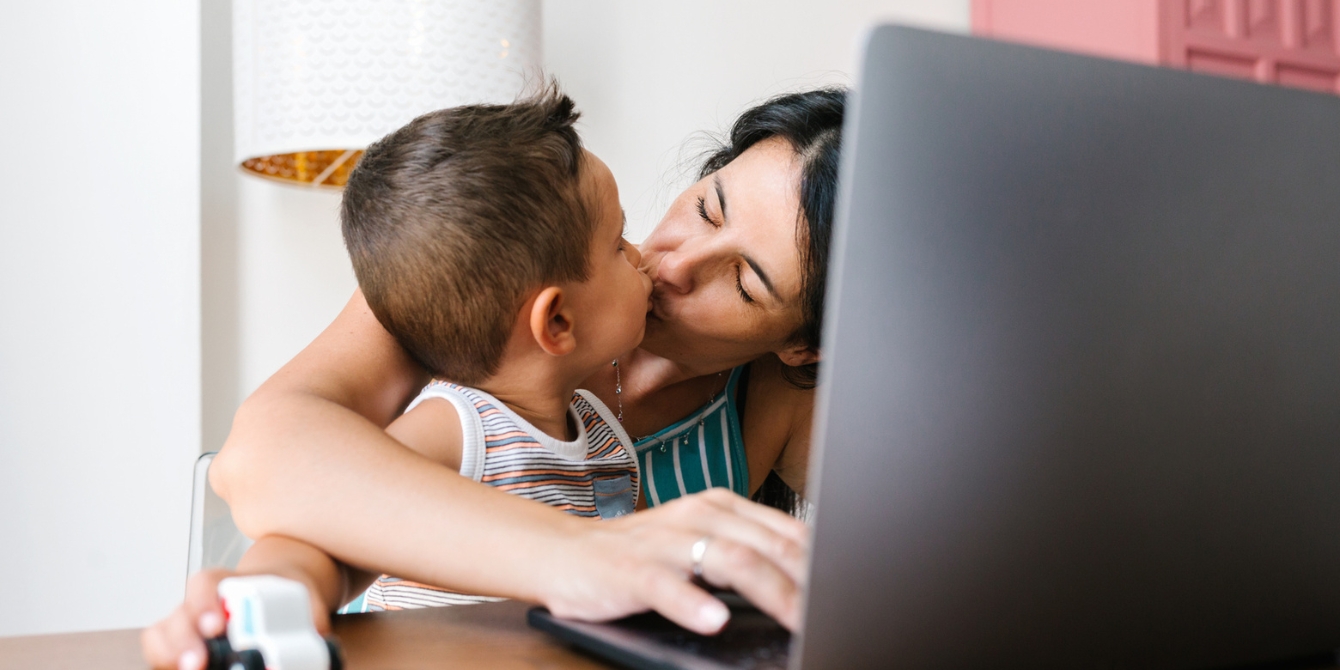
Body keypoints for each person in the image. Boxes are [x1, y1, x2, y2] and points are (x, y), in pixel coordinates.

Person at [147, 86, 844, 668]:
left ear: (805, 347)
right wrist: (275, 592)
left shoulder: (762, 404)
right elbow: (280, 480)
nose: (670, 263)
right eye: (705, 208)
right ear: (554, 320)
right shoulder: (484, 273)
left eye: (747, 284)